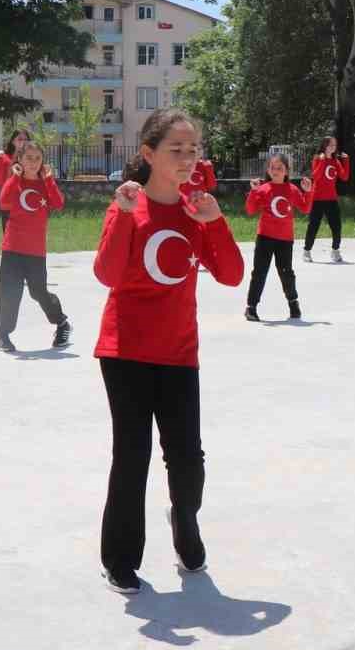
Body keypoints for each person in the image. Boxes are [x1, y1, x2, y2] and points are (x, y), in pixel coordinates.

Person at [92, 107, 245, 594]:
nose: (187, 158)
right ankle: (119, 558)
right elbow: (108, 275)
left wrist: (216, 221)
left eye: (193, 149)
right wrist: (121, 213)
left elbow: (231, 274)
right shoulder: (128, 206)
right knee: (131, 455)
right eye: (176, 149)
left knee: (187, 458)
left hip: (179, 351)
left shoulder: (195, 210)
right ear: (148, 154)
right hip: (126, 351)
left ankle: (184, 522)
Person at [0, 142, 71, 352]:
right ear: (19, 159)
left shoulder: (45, 183)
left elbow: (57, 203)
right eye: (29, 157)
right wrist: (15, 177)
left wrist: (48, 180)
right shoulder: (15, 181)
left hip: (35, 250)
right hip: (12, 247)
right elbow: (4, 202)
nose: (33, 162)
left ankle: (62, 323)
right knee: (9, 292)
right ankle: (3, 334)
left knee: (38, 292)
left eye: (37, 158)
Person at [244, 153, 312, 322]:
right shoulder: (263, 189)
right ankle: (251, 307)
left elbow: (305, 208)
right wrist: (253, 192)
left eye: (280, 168)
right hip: (265, 237)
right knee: (259, 272)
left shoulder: (292, 190)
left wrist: (309, 192)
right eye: (273, 168)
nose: (276, 171)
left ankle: (293, 303)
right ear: (268, 170)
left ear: (286, 171)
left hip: (285, 239)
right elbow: (251, 210)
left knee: (286, 272)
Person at [303, 136, 351, 264]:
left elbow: (344, 177)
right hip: (317, 198)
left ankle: (335, 251)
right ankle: (307, 251)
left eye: (335, 145)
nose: (333, 147)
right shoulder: (318, 158)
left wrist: (346, 160)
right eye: (331, 145)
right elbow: (315, 176)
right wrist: (323, 161)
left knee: (337, 226)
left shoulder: (335, 161)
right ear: (324, 146)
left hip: (331, 199)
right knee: (313, 226)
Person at [0, 128, 31, 230]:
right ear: (13, 141)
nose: (23, 142)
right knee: (10, 240)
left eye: (26, 139)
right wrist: (0, 161)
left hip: (25, 203)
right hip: (9, 203)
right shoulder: (4, 158)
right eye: (20, 139)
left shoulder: (31, 158)